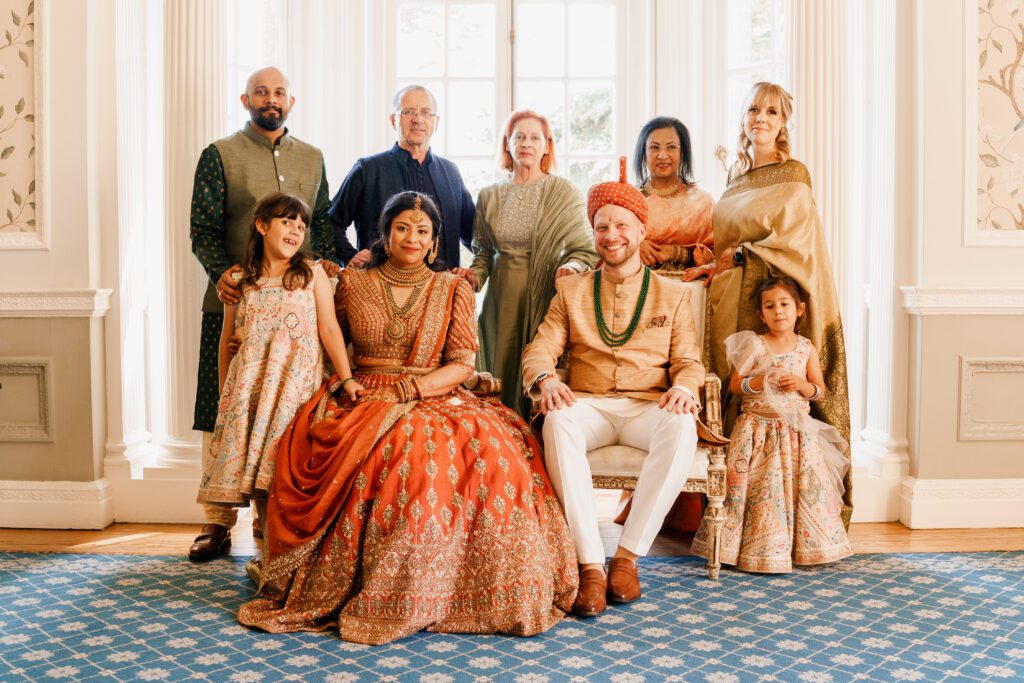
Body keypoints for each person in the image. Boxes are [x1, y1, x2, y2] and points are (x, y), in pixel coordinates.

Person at [237, 192, 578, 645]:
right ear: (385, 233)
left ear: (435, 241)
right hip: (365, 390)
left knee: (495, 458)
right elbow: (324, 334)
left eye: (423, 231)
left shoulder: (452, 286)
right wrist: (240, 287)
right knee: (396, 457)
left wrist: (413, 389)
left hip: (434, 389)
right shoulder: (353, 283)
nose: (412, 238)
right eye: (402, 228)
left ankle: (476, 591)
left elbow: (461, 362)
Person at [521, 158, 704, 618]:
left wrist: (685, 387)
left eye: (622, 224)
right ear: (594, 234)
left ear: (641, 230)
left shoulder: (674, 293)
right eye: (602, 226)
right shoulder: (571, 292)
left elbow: (689, 362)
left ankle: (626, 558)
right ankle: (590, 568)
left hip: (648, 407)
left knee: (682, 425)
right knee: (558, 420)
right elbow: (539, 349)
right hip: (590, 406)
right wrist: (545, 379)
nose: (611, 235)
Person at [189, 66, 335, 562]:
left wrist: (333, 264)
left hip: (297, 308)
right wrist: (225, 274)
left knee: (285, 415)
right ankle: (216, 521)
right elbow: (202, 230)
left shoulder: (312, 158)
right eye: (260, 92)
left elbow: (327, 225)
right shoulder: (219, 155)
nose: (269, 99)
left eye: (278, 93)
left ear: (291, 101)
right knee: (224, 406)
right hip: (233, 301)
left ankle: (269, 516)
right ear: (244, 99)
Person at [704, 81, 852, 522]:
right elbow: (723, 242)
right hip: (728, 300)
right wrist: (711, 262)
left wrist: (743, 257)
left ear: (784, 121)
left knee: (780, 406)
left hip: (774, 302)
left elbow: (795, 241)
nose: (760, 119)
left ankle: (790, 517)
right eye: (753, 110)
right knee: (739, 398)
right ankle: (735, 516)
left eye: (771, 112)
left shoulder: (795, 175)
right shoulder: (736, 179)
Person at [196, 193, 360, 538]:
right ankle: (260, 523)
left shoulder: (311, 273)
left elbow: (329, 329)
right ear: (261, 225)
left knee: (280, 451)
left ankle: (274, 526)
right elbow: (228, 343)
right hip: (250, 385)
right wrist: (227, 398)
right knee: (252, 448)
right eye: (287, 222)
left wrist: (346, 380)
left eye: (301, 227)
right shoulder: (240, 280)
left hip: (293, 386)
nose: (295, 231)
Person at [692, 277, 851, 572]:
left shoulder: (806, 348)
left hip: (796, 432)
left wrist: (801, 385)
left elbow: (819, 390)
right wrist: (762, 381)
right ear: (761, 313)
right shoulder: (755, 344)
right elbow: (736, 385)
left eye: (784, 304)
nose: (778, 311)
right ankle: (748, 549)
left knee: (794, 489)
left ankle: (796, 548)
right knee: (756, 490)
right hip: (757, 429)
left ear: (799, 309)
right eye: (770, 306)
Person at [453, 110, 598, 417]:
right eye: (519, 136)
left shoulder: (563, 191)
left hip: (542, 293)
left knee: (530, 365)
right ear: (508, 144)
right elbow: (482, 254)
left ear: (547, 146)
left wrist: (570, 267)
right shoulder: (489, 195)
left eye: (535, 138)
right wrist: (472, 277)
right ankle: (495, 438)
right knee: (494, 371)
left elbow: (584, 248)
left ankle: (527, 438)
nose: (526, 144)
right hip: (498, 299)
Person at [329, 85, 475, 268]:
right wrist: (349, 256)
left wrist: (480, 269)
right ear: (393, 120)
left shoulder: (451, 172)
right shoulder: (367, 170)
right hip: (378, 289)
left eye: (426, 112)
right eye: (408, 112)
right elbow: (329, 223)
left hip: (442, 290)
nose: (418, 119)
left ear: (436, 122)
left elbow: (475, 236)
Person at [633, 116, 715, 280]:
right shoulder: (629, 200)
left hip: (691, 292)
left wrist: (676, 253)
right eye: (655, 148)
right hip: (637, 290)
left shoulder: (702, 202)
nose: (662, 155)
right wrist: (634, 247)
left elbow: (718, 258)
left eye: (671, 147)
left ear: (682, 152)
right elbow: (608, 245)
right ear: (644, 152)